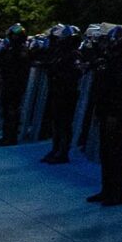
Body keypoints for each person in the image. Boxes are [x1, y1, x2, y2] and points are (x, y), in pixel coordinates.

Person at [87, 29, 122, 205]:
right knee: (106, 152)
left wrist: (114, 115)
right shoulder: (111, 61)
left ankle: (117, 192)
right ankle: (107, 189)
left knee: (115, 153)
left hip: (115, 115)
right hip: (105, 112)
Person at [40, 25, 81, 163]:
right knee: (56, 122)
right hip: (57, 91)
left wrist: (58, 75)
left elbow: (74, 74)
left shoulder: (74, 54)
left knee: (64, 123)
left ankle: (63, 151)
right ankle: (55, 148)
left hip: (67, 93)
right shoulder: (60, 54)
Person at [0, 23, 31, 146]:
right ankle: (6, 135)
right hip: (8, 82)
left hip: (15, 84)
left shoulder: (21, 50)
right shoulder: (11, 49)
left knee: (12, 110)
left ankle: (11, 136)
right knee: (7, 110)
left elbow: (18, 68)